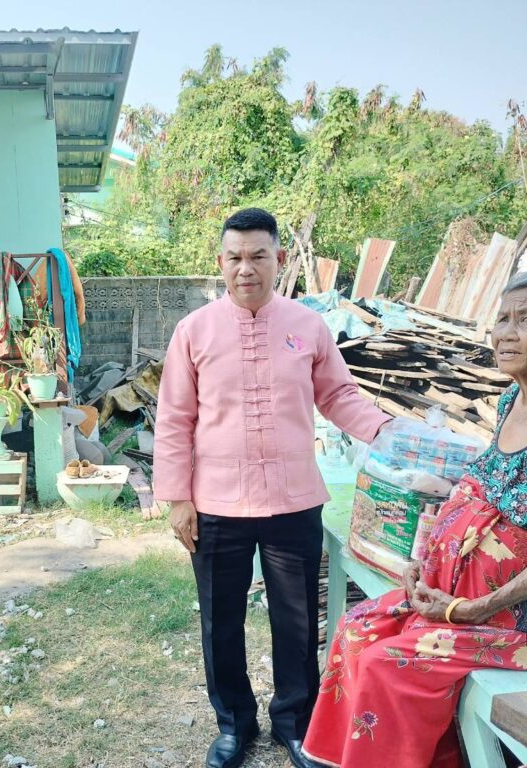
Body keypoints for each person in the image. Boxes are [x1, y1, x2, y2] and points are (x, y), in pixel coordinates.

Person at [301, 267, 527, 768]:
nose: (505, 333)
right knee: (356, 629)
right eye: (502, 319)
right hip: (469, 596)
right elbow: (483, 498)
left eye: (526, 320)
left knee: (389, 665)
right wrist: (425, 566)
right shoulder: (512, 400)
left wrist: (474, 609)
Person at [153, 208, 393, 768]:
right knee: (220, 622)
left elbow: (339, 396)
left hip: (292, 501)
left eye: (258, 256)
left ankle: (295, 722)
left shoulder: (308, 326)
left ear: (279, 259)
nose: (246, 268)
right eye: (235, 257)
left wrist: (388, 432)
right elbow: (174, 419)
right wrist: (178, 499)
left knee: (296, 620)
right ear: (221, 262)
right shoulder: (194, 331)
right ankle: (234, 725)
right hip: (216, 504)